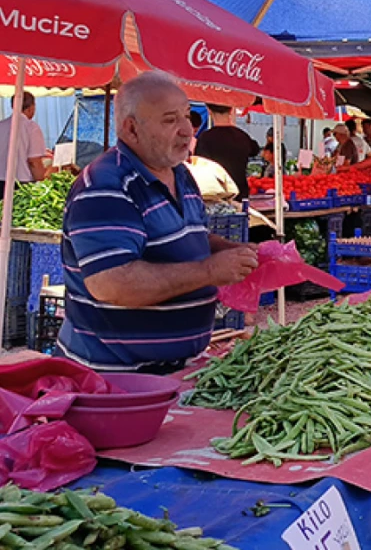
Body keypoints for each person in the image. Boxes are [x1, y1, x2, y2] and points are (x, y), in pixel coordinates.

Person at [59, 72, 259, 373]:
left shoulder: (181, 175)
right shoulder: (106, 185)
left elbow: (191, 239)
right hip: (115, 378)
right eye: (169, 120)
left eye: (187, 116)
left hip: (175, 370)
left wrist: (231, 251)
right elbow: (112, 283)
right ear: (131, 129)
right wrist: (210, 271)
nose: (186, 130)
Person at [194, 104, 259, 201]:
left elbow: (198, 164)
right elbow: (255, 150)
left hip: (215, 195)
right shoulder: (242, 136)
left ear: (209, 111)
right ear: (231, 110)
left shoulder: (204, 138)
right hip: (240, 194)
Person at [0, 92, 48, 197]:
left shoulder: (1, 125)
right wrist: (43, 183)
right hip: (21, 183)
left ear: (13, 106)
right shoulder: (31, 128)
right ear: (31, 108)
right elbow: (34, 162)